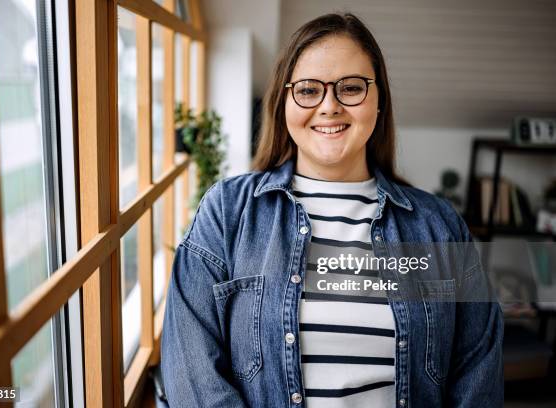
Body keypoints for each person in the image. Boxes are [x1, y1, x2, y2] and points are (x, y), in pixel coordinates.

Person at [161, 12, 503, 408]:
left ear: (379, 101)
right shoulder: (226, 214)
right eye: (308, 90)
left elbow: (478, 375)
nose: (329, 106)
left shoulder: (439, 227)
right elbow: (191, 376)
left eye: (351, 88)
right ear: (283, 101)